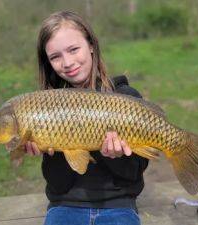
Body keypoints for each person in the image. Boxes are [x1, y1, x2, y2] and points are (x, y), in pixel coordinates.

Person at [24, 11, 148, 225]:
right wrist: (46, 148)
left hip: (118, 204)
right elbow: (56, 182)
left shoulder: (126, 98)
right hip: (64, 204)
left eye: (73, 49)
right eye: (55, 57)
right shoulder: (46, 106)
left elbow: (134, 173)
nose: (67, 62)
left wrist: (116, 156)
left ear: (91, 45)